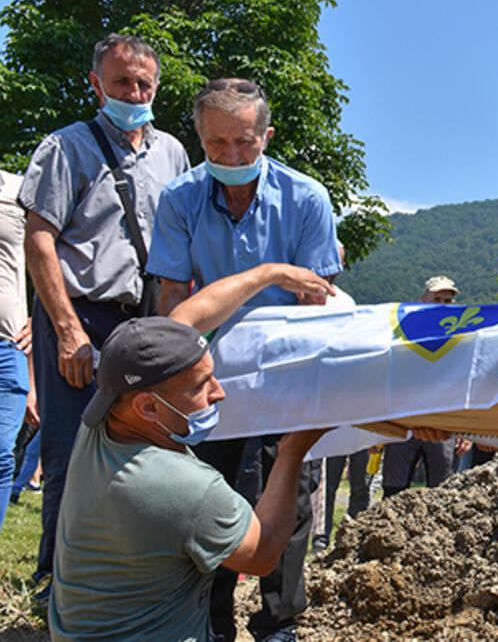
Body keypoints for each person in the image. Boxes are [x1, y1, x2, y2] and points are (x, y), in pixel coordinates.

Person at [147, 77, 342, 642]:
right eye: (216, 146)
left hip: (288, 370)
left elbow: (318, 299)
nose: (231, 157)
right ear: (200, 139)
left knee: (290, 495)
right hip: (209, 373)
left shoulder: (306, 199)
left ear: (267, 136)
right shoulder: (180, 199)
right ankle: (209, 620)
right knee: (206, 495)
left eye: (245, 143)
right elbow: (172, 299)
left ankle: (279, 621)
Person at [49, 262, 333, 641]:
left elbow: (187, 318)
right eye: (201, 385)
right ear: (149, 407)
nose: (219, 392)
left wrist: (270, 273)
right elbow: (262, 553)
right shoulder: (179, 484)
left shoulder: (100, 423)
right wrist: (292, 452)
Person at [18, 33, 189, 590]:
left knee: (146, 445)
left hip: (144, 319)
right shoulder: (65, 147)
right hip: (82, 315)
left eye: (144, 82)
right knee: (73, 447)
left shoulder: (172, 152)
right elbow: (40, 239)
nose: (134, 92)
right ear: (96, 84)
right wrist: (67, 330)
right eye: (122, 82)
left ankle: (125, 576)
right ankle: (58, 582)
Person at [382, 275, 471, 495]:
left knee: (443, 493)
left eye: (448, 301)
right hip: (405, 422)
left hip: (444, 423)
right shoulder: (402, 332)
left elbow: (468, 383)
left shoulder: (464, 337)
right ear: (423, 300)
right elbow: (389, 378)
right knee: (393, 491)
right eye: (437, 299)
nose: (442, 305)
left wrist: (467, 430)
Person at [1, 169, 35, 530]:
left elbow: (49, 250)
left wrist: (39, 317)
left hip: (8, 344)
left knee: (1, 456)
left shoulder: (19, 189)